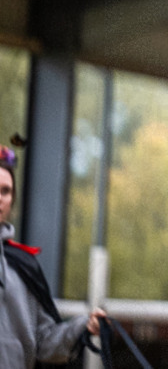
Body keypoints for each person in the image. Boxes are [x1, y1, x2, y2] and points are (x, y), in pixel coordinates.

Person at [1, 146, 106, 368]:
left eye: (6, 191)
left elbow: (43, 342)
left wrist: (83, 326)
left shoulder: (23, 266)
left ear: (13, 200)